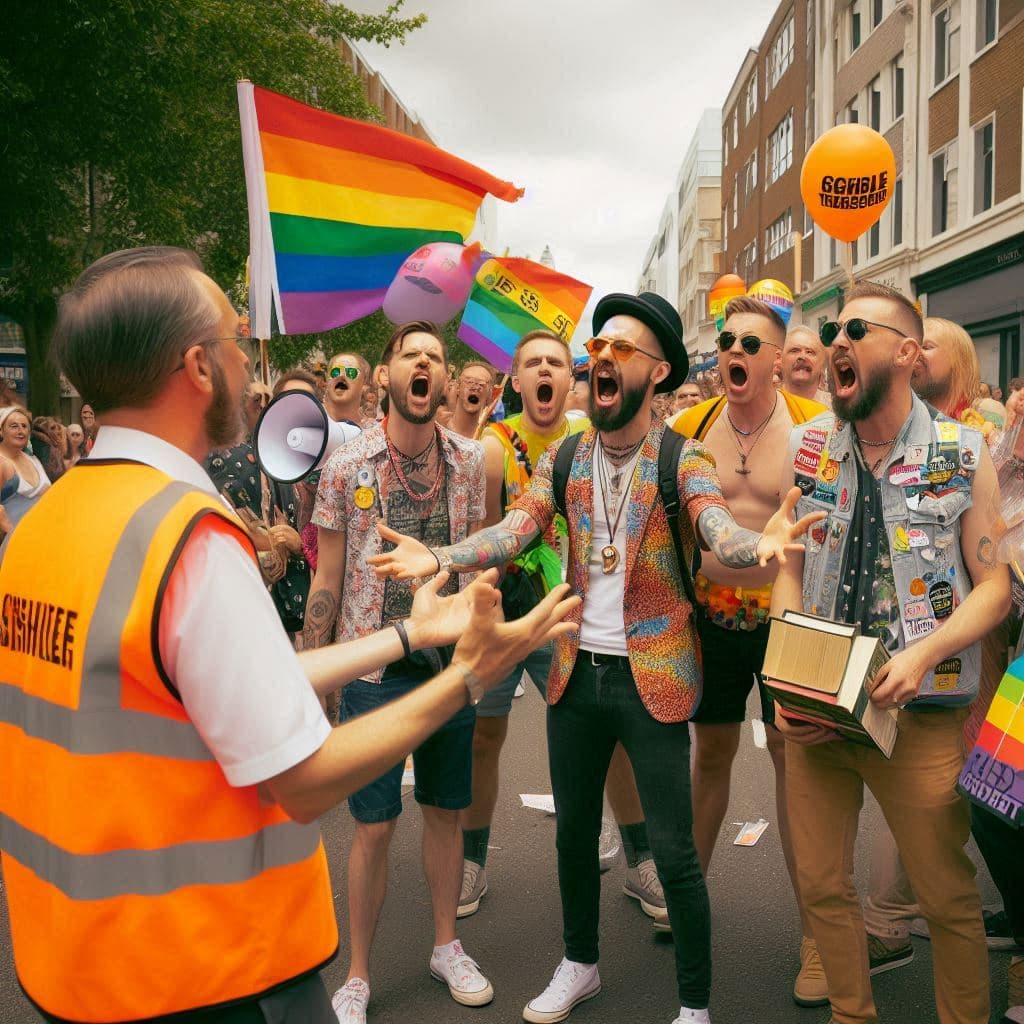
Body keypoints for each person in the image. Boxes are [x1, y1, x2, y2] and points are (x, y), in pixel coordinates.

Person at [0, 245, 579, 1024]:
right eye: (237, 340)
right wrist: (466, 674)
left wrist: (410, 641)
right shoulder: (186, 539)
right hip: (211, 971)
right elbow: (303, 782)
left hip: (75, 968)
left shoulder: (43, 526)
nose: (247, 362)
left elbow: (225, 682)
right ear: (199, 367)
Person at [369, 291, 822, 1024]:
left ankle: (695, 1006)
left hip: (656, 679)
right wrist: (443, 555)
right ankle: (579, 964)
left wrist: (757, 546)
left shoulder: (684, 457)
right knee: (575, 838)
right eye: (599, 346)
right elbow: (517, 530)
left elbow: (715, 530)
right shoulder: (568, 457)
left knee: (674, 855)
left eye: (623, 349)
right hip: (575, 675)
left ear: (659, 373)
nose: (602, 357)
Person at [772, 280, 1009, 1024]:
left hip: (924, 714)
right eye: (833, 329)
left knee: (944, 895)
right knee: (820, 885)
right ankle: (852, 1013)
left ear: (907, 353)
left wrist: (922, 653)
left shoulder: (962, 452)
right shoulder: (810, 447)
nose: (837, 342)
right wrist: (787, 675)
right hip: (820, 712)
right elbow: (787, 561)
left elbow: (995, 586)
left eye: (856, 331)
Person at [305, 320, 494, 1023]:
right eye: (410, 355)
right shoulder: (345, 465)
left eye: (435, 357)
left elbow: (484, 551)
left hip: (448, 669)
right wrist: (316, 673)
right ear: (386, 376)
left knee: (445, 813)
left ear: (445, 382)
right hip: (371, 669)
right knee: (374, 825)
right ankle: (356, 976)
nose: (425, 364)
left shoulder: (472, 463)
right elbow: (328, 573)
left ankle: (447, 945)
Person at [461, 328, 662, 926]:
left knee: (610, 735)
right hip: (509, 602)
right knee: (484, 735)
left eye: (556, 362)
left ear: (567, 379)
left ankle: (640, 858)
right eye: (533, 364)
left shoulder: (588, 434)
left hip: (572, 605)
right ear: (516, 382)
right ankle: (472, 859)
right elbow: (488, 534)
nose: (546, 371)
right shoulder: (493, 448)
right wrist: (484, 611)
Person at [672, 295, 828, 1006]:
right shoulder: (689, 426)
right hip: (713, 617)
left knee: (797, 768)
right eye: (727, 340)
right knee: (711, 759)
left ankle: (817, 939)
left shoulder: (811, 433)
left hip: (786, 618)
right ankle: (689, 905)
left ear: (774, 360)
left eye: (750, 343)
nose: (733, 350)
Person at [866, 314, 1016, 963]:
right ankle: (900, 910)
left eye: (927, 343)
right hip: (912, 628)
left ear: (957, 357)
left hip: (980, 624)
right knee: (959, 772)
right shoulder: (892, 428)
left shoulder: (981, 432)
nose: (913, 352)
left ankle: (916, 908)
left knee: (974, 771)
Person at [0, 407, 52, 531]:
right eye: (14, 426)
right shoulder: (2, 463)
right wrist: (9, 530)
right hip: (14, 542)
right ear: (1, 431)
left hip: (42, 533)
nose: (20, 431)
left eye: (24, 426)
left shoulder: (33, 460)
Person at [781, 325, 831, 407]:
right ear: (780, 359)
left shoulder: (837, 412)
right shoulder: (766, 406)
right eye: (794, 350)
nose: (802, 357)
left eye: (810, 352)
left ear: (822, 363)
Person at [448, 360, 500, 439]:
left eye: (482, 384)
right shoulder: (436, 429)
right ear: (458, 387)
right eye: (469, 381)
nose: (475, 387)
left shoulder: (491, 440)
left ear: (490, 395)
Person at [323, 351, 372, 427]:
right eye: (335, 372)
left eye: (351, 372)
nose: (341, 376)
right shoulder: (310, 417)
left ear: (364, 384)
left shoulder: (372, 431)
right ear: (327, 379)